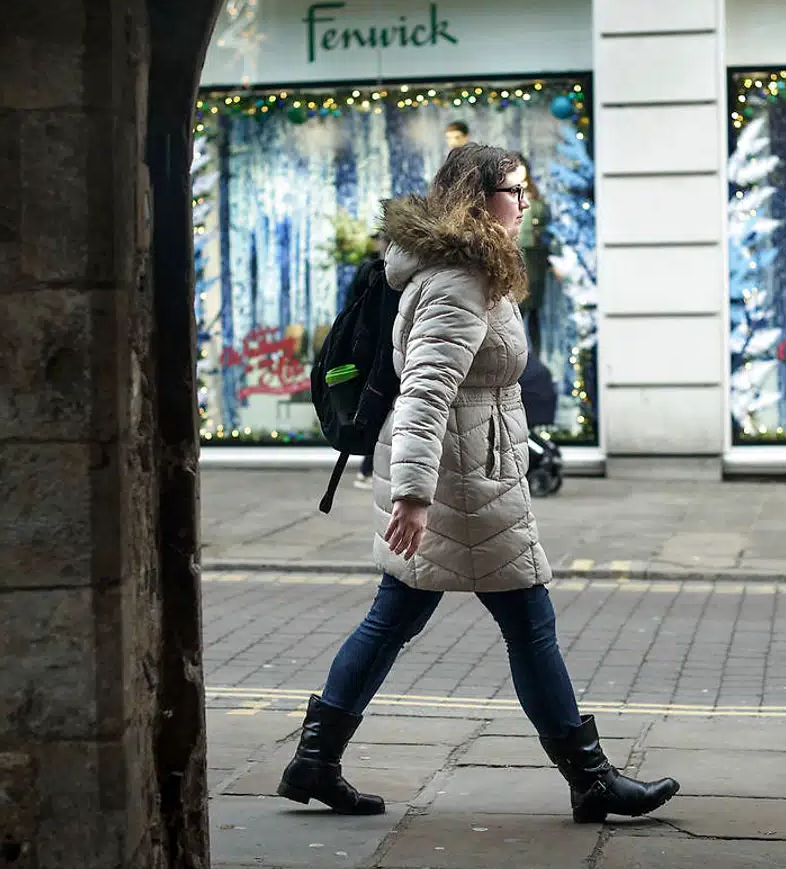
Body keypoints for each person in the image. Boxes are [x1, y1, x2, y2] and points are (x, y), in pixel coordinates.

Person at [276, 144, 679, 824]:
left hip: (467, 474)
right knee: (529, 620)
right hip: (462, 485)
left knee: (394, 615)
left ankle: (315, 758)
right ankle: (592, 778)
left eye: (526, 191)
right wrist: (411, 493)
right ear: (477, 196)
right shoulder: (460, 281)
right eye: (514, 191)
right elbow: (425, 393)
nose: (525, 203)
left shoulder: (468, 269)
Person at [348, 231, 390, 488]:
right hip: (375, 351)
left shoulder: (379, 271)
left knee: (379, 409)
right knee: (378, 408)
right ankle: (367, 467)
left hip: (377, 350)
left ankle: (368, 467)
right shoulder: (373, 271)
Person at [514, 153, 551, 351]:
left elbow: (545, 229)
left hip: (535, 263)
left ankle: (536, 358)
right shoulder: (507, 197)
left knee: (534, 314)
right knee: (517, 315)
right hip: (516, 262)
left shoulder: (536, 199)